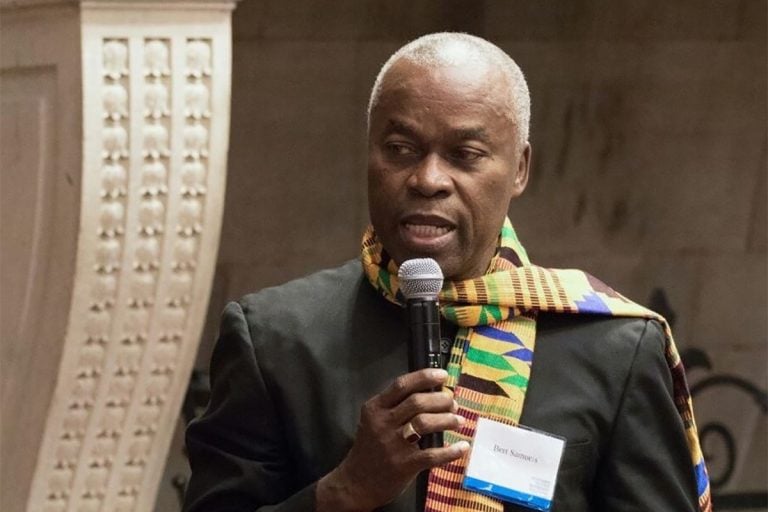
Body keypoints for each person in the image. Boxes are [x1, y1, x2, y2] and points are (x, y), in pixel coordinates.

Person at [183, 33, 710, 512]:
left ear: (520, 169)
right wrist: (346, 490)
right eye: (400, 149)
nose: (428, 179)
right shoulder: (274, 339)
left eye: (465, 154)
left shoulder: (612, 347)